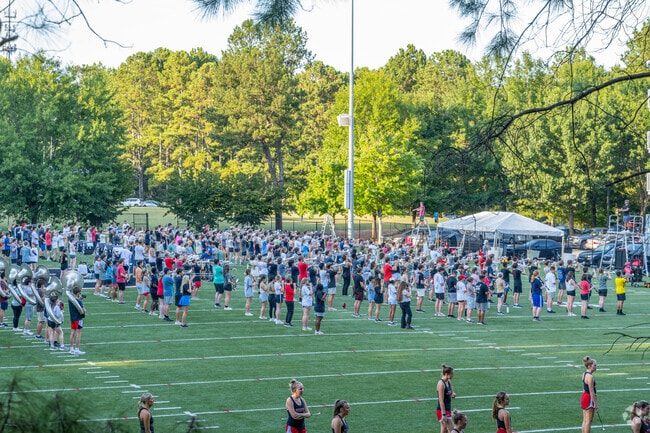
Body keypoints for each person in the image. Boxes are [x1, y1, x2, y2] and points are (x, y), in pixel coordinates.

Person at [436, 364, 456, 433]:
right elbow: (441, 400)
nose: (453, 375)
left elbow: (452, 391)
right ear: (447, 374)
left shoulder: (448, 381)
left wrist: (453, 394)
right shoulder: (441, 384)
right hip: (442, 411)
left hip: (448, 409)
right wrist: (443, 414)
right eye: (452, 374)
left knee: (444, 431)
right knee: (452, 430)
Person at [581, 356, 598, 433]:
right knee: (589, 421)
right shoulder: (590, 377)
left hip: (584, 396)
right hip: (589, 398)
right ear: (589, 366)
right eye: (594, 365)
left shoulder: (584, 374)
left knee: (585, 420)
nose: (596, 367)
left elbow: (584, 388)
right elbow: (592, 391)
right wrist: (595, 403)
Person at [68, 286, 86, 354]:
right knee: (78, 334)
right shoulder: (79, 301)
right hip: (78, 318)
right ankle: (77, 349)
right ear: (78, 293)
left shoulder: (70, 300)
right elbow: (84, 310)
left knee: (72, 333)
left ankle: (71, 349)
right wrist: (81, 302)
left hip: (72, 318)